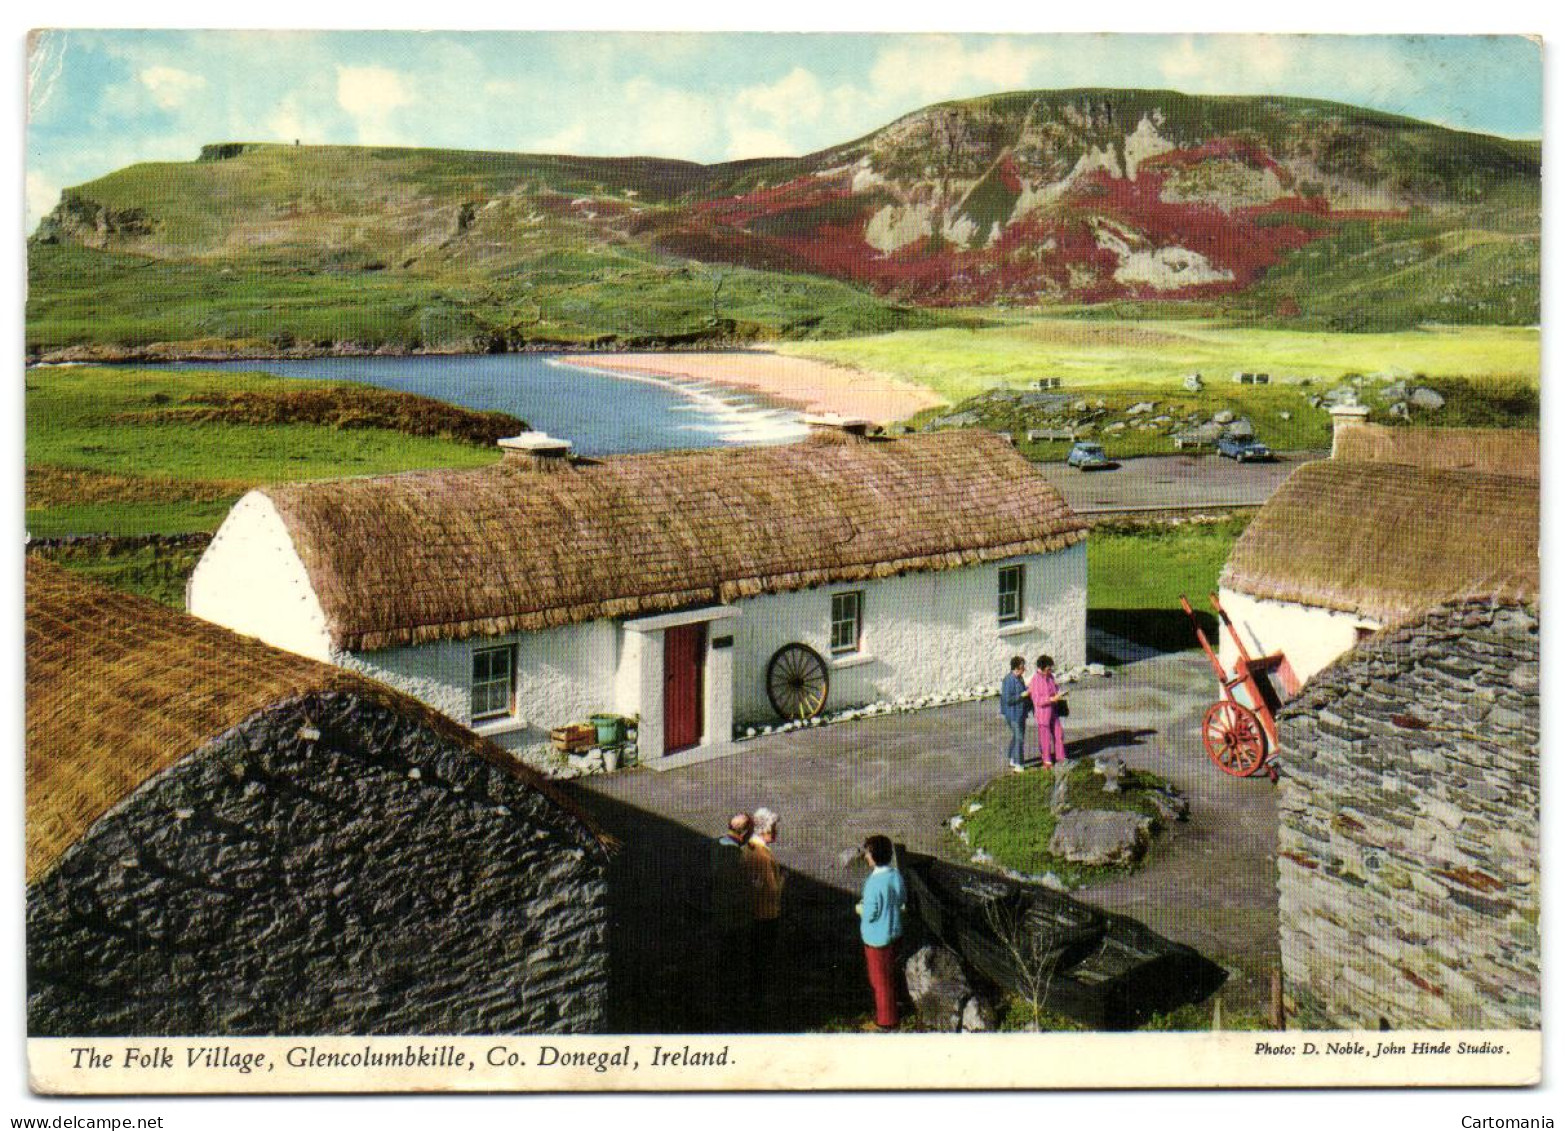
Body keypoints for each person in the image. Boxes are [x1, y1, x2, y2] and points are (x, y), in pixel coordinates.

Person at [855, 834, 906, 1031]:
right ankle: (896, 1005)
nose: (866, 857)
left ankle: (886, 1020)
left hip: (877, 939)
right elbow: (902, 898)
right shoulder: (895, 875)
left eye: (867, 854)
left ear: (874, 857)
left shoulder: (872, 884)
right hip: (895, 932)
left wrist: (859, 908)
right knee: (891, 975)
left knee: (879, 981)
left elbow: (870, 914)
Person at [708, 813, 754, 1025]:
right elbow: (740, 891)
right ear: (744, 833)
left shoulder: (716, 845)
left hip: (716, 913)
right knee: (732, 963)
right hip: (733, 918)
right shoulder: (734, 856)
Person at [744, 807, 785, 1023]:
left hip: (751, 911)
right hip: (766, 913)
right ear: (764, 831)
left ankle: (754, 997)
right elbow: (772, 890)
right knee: (763, 957)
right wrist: (783, 880)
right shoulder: (763, 856)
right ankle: (759, 1001)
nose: (776, 831)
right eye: (773, 828)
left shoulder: (749, 848)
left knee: (754, 956)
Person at [1028, 653, 1069, 767]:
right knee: (1045, 738)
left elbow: (1055, 689)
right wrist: (1051, 699)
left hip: (1053, 711)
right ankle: (1046, 760)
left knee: (1059, 734)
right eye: (1048, 668)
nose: (1050, 670)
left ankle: (1061, 757)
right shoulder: (1035, 680)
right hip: (1043, 713)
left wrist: (1060, 694)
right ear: (1042, 667)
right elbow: (1037, 700)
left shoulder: (1050, 677)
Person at [999, 655, 1033, 772]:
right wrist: (1022, 695)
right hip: (1013, 714)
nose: (1024, 670)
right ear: (1017, 668)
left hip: (1020, 713)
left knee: (1016, 736)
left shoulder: (1019, 678)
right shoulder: (1008, 680)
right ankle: (1019, 764)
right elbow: (1008, 699)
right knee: (1019, 738)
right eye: (1023, 667)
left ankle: (1013, 758)